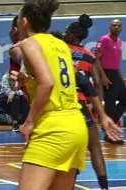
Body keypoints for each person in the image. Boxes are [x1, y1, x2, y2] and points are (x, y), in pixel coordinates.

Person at [11, 0, 87, 189]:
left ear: (25, 21)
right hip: (76, 124)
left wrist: (29, 122)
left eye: (19, 18)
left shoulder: (29, 43)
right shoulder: (61, 45)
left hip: (53, 126)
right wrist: (28, 75)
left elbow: (48, 83)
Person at [53, 14, 123, 190]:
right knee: (95, 148)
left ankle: (66, 183)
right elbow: (98, 85)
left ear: (73, 35)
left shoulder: (60, 50)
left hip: (64, 105)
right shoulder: (88, 56)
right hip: (84, 106)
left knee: (67, 150)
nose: (64, 33)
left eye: (67, 31)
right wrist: (98, 107)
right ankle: (104, 187)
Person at [96, 19, 126, 144]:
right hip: (106, 73)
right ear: (109, 27)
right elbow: (96, 59)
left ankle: (108, 126)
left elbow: (116, 63)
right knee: (110, 104)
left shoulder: (119, 42)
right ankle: (110, 135)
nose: (116, 27)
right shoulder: (104, 40)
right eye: (114, 25)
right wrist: (103, 76)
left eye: (118, 25)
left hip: (115, 74)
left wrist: (122, 77)